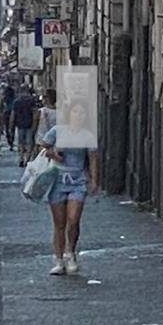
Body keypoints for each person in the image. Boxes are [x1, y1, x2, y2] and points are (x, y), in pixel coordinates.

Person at [38, 91, 98, 276]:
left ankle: (70, 253)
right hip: (57, 180)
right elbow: (43, 146)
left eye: (82, 113)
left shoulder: (87, 136)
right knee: (59, 223)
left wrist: (94, 179)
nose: (78, 116)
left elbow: (93, 158)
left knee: (73, 219)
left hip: (77, 180)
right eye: (75, 112)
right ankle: (58, 260)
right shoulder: (57, 131)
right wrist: (54, 153)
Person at [11, 89, 38, 166]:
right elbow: (35, 114)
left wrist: (11, 125)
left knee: (21, 143)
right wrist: (35, 125)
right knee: (29, 143)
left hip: (20, 125)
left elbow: (13, 115)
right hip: (29, 125)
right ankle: (27, 160)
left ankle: (21, 158)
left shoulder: (16, 102)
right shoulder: (31, 101)